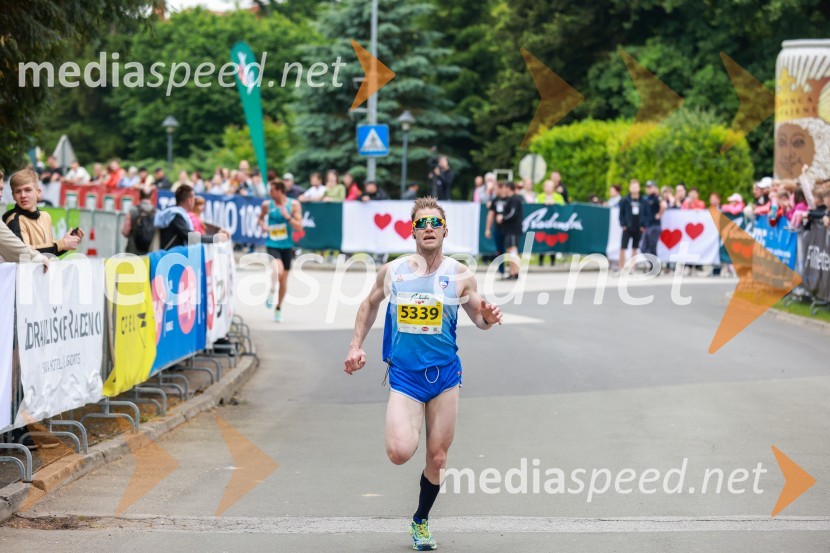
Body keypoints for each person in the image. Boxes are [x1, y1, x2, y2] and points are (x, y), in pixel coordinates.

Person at [343, 196, 503, 551]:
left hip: (445, 376)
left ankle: (420, 521)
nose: (428, 228)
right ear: (412, 230)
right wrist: (356, 345)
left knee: (438, 457)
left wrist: (489, 317)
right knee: (400, 452)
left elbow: (479, 318)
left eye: (434, 223)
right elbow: (369, 304)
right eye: (421, 223)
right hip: (405, 376)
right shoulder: (395, 272)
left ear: (445, 230)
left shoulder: (460, 275)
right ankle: (409, 441)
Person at [2, 169, 83, 256]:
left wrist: (67, 243)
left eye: (27, 190)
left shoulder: (45, 216)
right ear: (13, 196)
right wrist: (62, 244)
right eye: (18, 191)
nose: (23, 195)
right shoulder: (14, 220)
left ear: (38, 192)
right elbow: (24, 254)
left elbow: (48, 253)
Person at [258, 180, 302, 322]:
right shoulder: (267, 205)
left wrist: (288, 217)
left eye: (272, 190)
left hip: (287, 246)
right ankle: (271, 291)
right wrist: (263, 225)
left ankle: (278, 308)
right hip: (272, 244)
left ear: (280, 191)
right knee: (278, 270)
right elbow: (259, 219)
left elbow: (299, 227)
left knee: (283, 281)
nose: (270, 193)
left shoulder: (293, 205)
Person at [154, 185, 227, 249]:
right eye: (193, 198)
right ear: (189, 201)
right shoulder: (176, 216)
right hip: (171, 259)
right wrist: (216, 238)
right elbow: (192, 237)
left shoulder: (173, 213)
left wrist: (217, 233)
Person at [485, 181, 523, 279]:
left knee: (513, 250)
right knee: (510, 251)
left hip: (513, 229)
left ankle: (516, 272)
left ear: (508, 188)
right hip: (508, 230)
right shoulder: (510, 199)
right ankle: (512, 272)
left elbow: (512, 213)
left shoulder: (514, 199)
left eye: (505, 187)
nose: (503, 189)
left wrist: (503, 217)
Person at [121, 187, 157, 255]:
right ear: (151, 196)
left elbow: (125, 232)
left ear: (139, 196)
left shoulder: (132, 210)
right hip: (150, 252)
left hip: (133, 251)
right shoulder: (157, 213)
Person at [618, 179, 644, 271]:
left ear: (639, 188)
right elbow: (621, 213)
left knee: (635, 247)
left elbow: (645, 213)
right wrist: (623, 224)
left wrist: (642, 225)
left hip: (638, 227)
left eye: (636, 187)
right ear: (629, 188)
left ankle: (632, 267)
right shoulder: (625, 200)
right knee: (623, 247)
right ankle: (621, 266)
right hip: (627, 227)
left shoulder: (642, 200)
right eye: (633, 187)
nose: (634, 189)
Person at [641, 180, 663, 265]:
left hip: (654, 226)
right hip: (648, 226)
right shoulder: (647, 198)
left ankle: (655, 267)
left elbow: (663, 205)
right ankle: (654, 265)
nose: (648, 189)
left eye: (650, 187)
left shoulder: (657, 197)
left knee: (652, 248)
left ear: (655, 188)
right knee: (644, 249)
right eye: (647, 187)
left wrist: (659, 214)